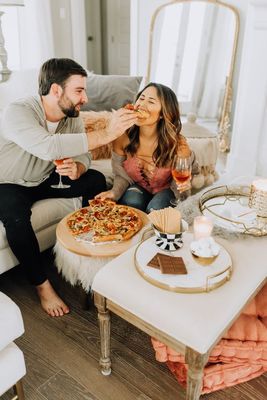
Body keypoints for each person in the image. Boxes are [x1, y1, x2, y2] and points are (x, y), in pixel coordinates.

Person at [0, 58, 137, 317]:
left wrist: (80, 168)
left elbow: (83, 154)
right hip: (8, 183)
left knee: (96, 180)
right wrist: (107, 133)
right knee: (15, 217)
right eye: (79, 90)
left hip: (44, 178)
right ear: (55, 90)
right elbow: (48, 146)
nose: (85, 98)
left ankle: (93, 248)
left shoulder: (70, 115)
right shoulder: (17, 112)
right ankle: (42, 286)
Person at [96, 82, 198, 212]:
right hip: (138, 187)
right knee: (131, 204)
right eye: (141, 98)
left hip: (167, 189)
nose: (141, 105)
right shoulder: (122, 137)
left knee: (156, 209)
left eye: (151, 101)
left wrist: (183, 197)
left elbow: (182, 181)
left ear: (163, 114)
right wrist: (114, 193)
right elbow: (121, 175)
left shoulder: (178, 144)